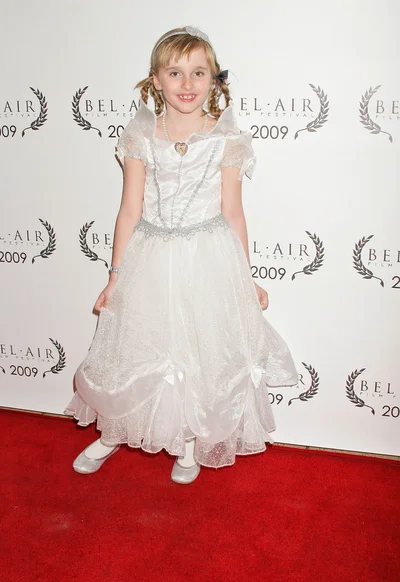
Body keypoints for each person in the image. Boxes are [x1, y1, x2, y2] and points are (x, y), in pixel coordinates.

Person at [64, 25, 298, 484]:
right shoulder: (140, 136)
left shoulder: (226, 137)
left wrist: (244, 278)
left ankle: (189, 440)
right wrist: (115, 276)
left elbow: (233, 213)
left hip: (207, 259)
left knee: (197, 350)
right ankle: (113, 430)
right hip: (149, 257)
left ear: (214, 80)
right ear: (156, 80)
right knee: (137, 348)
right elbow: (129, 209)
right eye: (175, 73)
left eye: (198, 73)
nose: (187, 84)